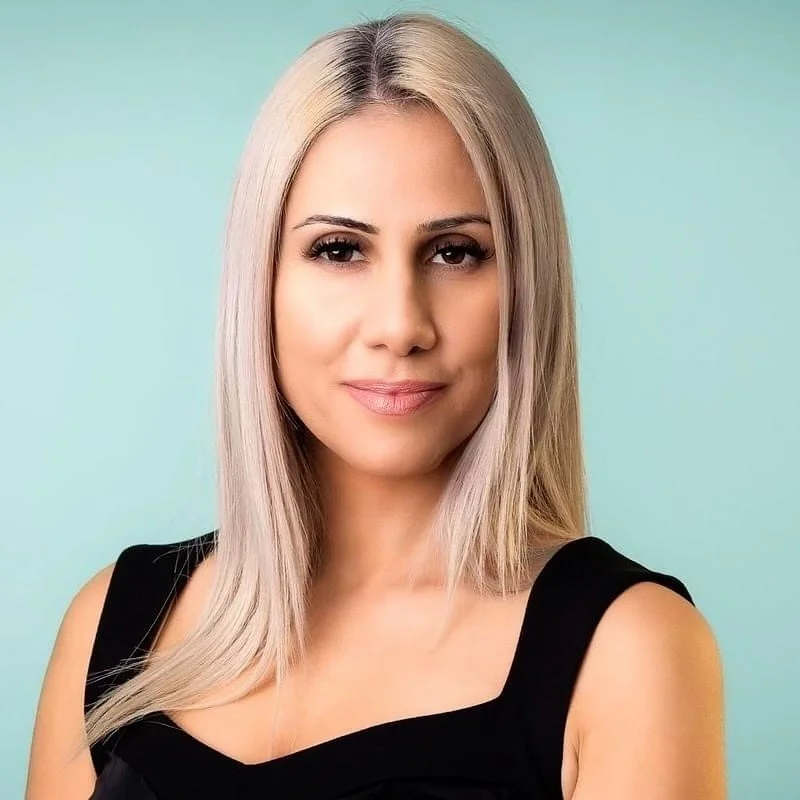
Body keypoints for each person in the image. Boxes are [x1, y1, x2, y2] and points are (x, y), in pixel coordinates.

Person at [25, 12, 726, 800]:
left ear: (528, 287)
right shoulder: (112, 625)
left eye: (455, 252)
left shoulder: (629, 651)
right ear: (262, 283)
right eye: (339, 250)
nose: (399, 324)